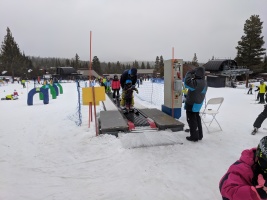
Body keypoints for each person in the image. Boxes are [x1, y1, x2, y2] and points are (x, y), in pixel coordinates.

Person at [184, 67, 208, 142]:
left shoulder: (197, 83)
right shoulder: (203, 82)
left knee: (191, 120)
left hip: (192, 103)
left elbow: (187, 83)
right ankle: (199, 135)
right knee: (197, 118)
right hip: (198, 103)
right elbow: (194, 90)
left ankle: (194, 136)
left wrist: (189, 72)